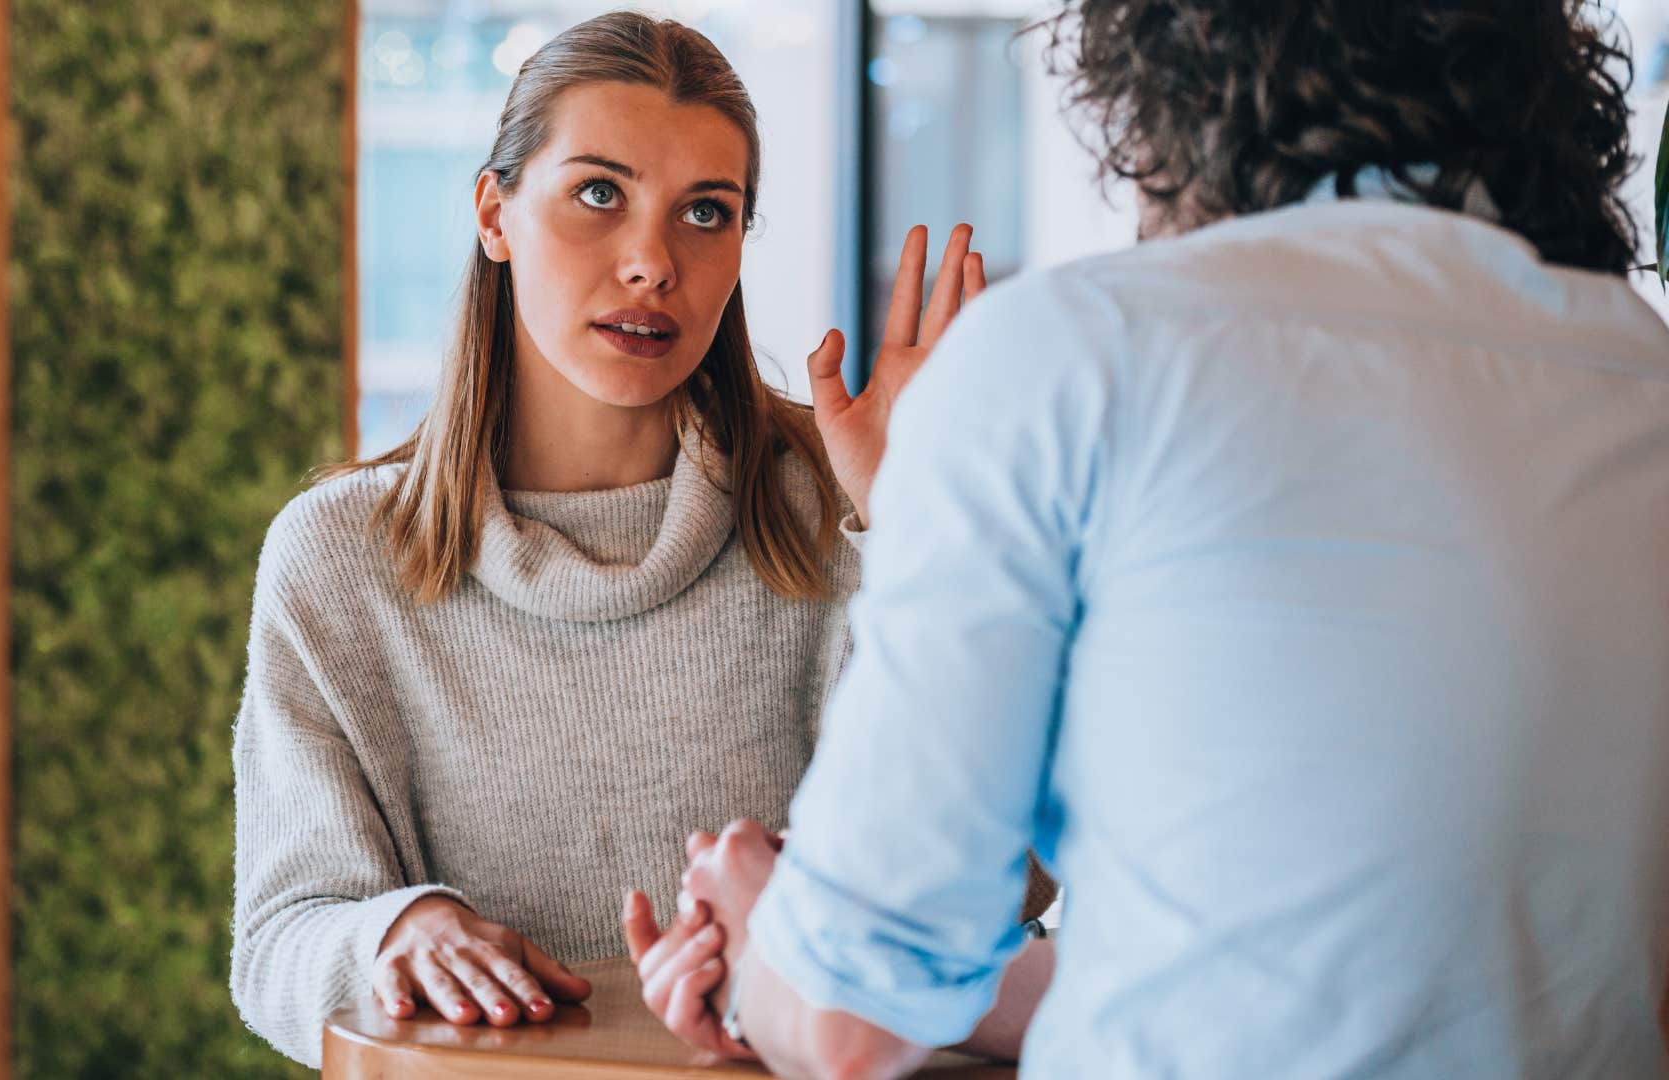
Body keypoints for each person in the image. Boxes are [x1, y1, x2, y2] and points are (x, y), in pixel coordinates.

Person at [661, 1, 1669, 1077]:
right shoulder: (1636, 372)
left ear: (1165, 86)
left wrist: (769, 929)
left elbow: (848, 1032)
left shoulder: (1081, 352)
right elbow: (1222, 963)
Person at [225, 11, 1042, 1069]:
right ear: (494, 212)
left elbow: (1013, 873)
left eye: (707, 212)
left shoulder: (834, 511)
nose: (655, 263)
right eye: (599, 194)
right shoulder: (338, 557)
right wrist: (392, 930)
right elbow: (281, 936)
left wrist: (915, 535)